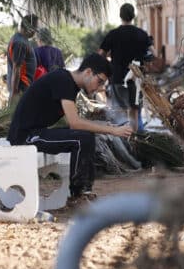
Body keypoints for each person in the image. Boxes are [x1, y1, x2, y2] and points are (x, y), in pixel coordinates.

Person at [7, 53, 133, 200]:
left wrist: (103, 125)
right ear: (88, 72)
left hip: (37, 132)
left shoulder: (69, 83)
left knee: (85, 136)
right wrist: (113, 130)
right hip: (25, 137)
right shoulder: (63, 81)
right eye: (99, 82)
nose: (99, 88)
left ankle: (84, 192)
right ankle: (79, 195)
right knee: (82, 139)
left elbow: (75, 122)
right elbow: (75, 122)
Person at [98, 3, 154, 129]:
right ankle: (138, 141)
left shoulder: (113, 34)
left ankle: (124, 143)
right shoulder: (142, 34)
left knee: (120, 114)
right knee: (135, 112)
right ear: (133, 16)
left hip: (117, 78)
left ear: (120, 16)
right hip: (136, 79)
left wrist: (109, 64)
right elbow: (153, 53)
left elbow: (100, 54)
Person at [7, 14, 38, 101]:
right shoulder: (20, 43)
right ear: (29, 28)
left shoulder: (22, 40)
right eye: (34, 28)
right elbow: (16, 68)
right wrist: (14, 94)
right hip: (20, 89)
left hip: (23, 88)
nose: (35, 32)